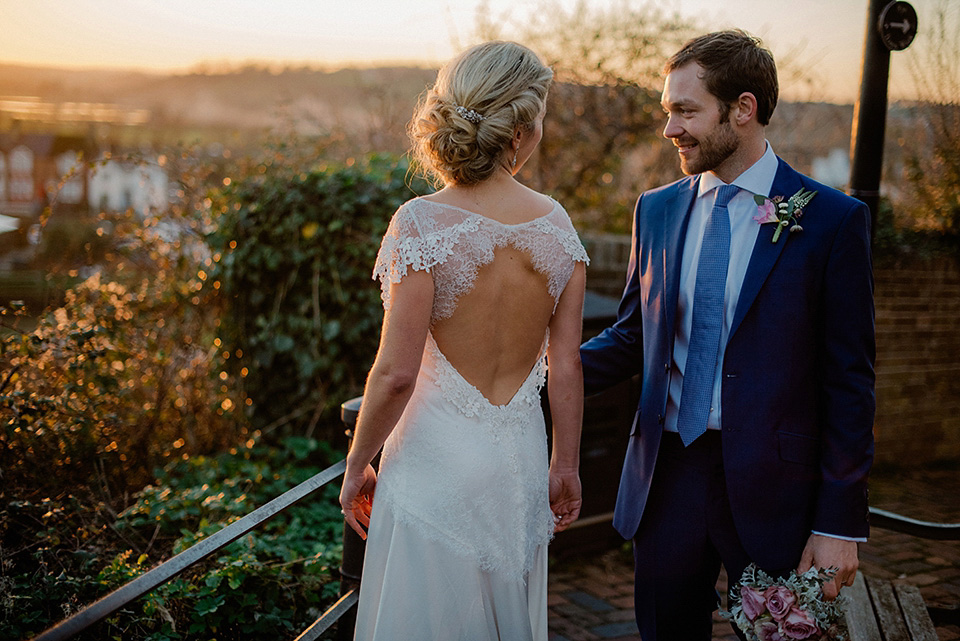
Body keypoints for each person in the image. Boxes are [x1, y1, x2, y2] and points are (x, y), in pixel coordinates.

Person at [580, 30, 875, 640]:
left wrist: (839, 522)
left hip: (778, 488)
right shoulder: (655, 210)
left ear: (743, 109)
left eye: (686, 111)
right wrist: (528, 379)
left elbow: (849, 382)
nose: (671, 130)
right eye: (668, 112)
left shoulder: (830, 221)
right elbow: (633, 335)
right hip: (667, 475)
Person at [338, 40, 588, 641]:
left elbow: (395, 374)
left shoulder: (421, 224)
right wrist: (566, 467)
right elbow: (569, 369)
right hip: (519, 468)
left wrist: (356, 466)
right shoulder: (559, 228)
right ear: (522, 130)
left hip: (433, 465)